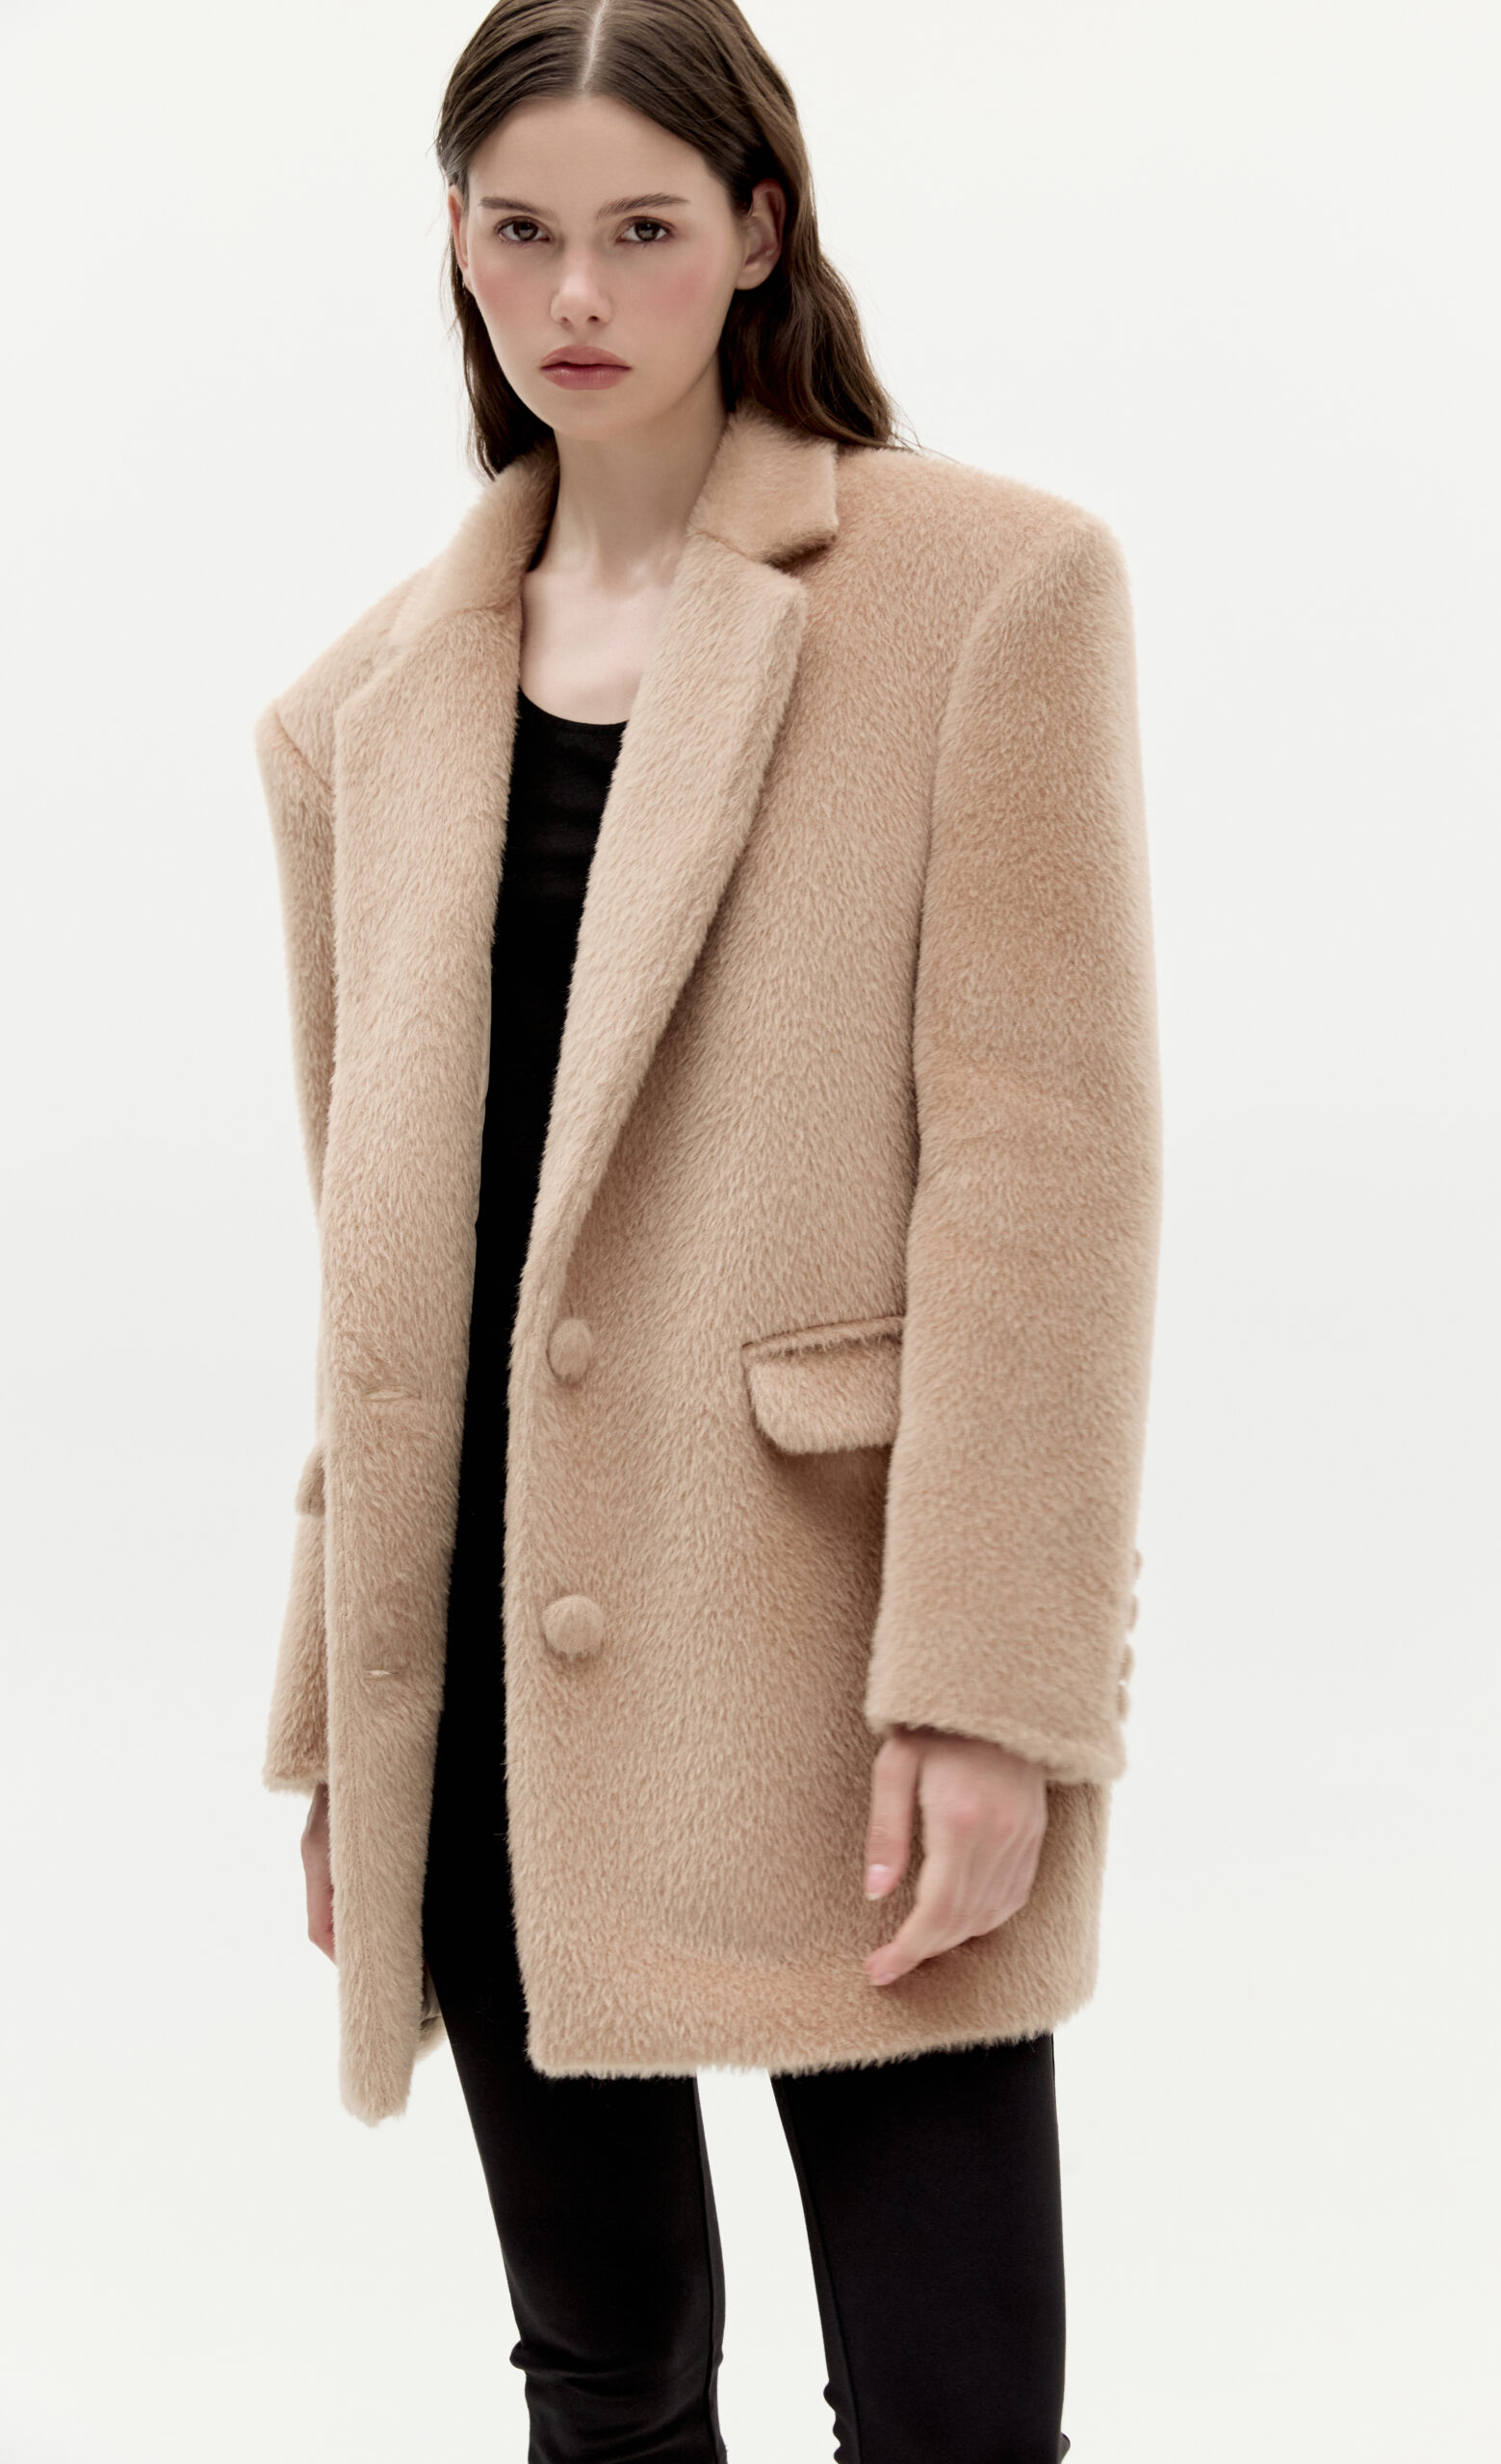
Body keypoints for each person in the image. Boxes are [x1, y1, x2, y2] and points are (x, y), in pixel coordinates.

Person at [256, 1, 1161, 2455]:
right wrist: (349, 1714)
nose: (574, 295)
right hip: (486, 1660)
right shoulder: (357, 713)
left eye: (641, 229)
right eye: (519, 231)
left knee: (951, 2402)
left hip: (831, 1642)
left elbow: (1044, 1179)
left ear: (757, 229)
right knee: (606, 2372)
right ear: (455, 239)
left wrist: (992, 1684)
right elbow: (382, 1272)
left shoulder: (983, 590)